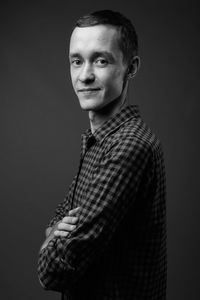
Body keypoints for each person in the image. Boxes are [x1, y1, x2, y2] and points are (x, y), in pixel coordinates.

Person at [38, 10, 167, 300]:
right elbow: (62, 212)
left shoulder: (128, 147)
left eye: (101, 60)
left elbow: (53, 272)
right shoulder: (100, 140)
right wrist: (55, 230)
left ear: (131, 67)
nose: (85, 75)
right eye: (76, 61)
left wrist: (49, 242)